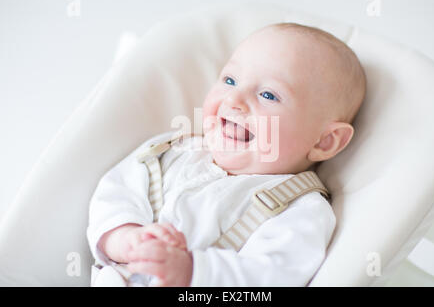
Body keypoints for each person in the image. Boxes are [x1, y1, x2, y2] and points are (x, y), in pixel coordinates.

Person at [87, 22, 366, 286]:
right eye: (230, 80)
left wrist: (192, 272)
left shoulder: (301, 210)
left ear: (325, 141)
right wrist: (126, 237)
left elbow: (272, 277)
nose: (233, 100)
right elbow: (116, 192)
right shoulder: (174, 151)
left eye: (268, 95)